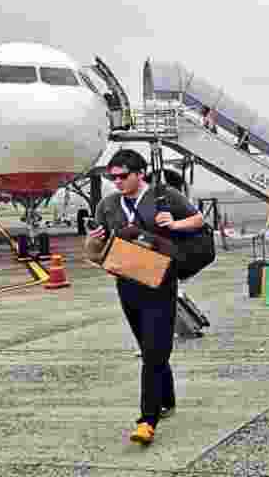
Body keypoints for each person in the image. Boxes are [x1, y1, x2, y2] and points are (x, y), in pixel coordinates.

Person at [85, 149, 204, 445]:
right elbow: (95, 252)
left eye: (123, 176)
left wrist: (174, 224)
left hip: (160, 283)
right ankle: (167, 399)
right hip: (127, 284)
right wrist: (93, 241)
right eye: (112, 178)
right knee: (150, 348)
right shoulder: (107, 205)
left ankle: (147, 420)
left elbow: (198, 220)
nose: (117, 182)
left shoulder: (164, 197)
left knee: (153, 352)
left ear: (140, 174)